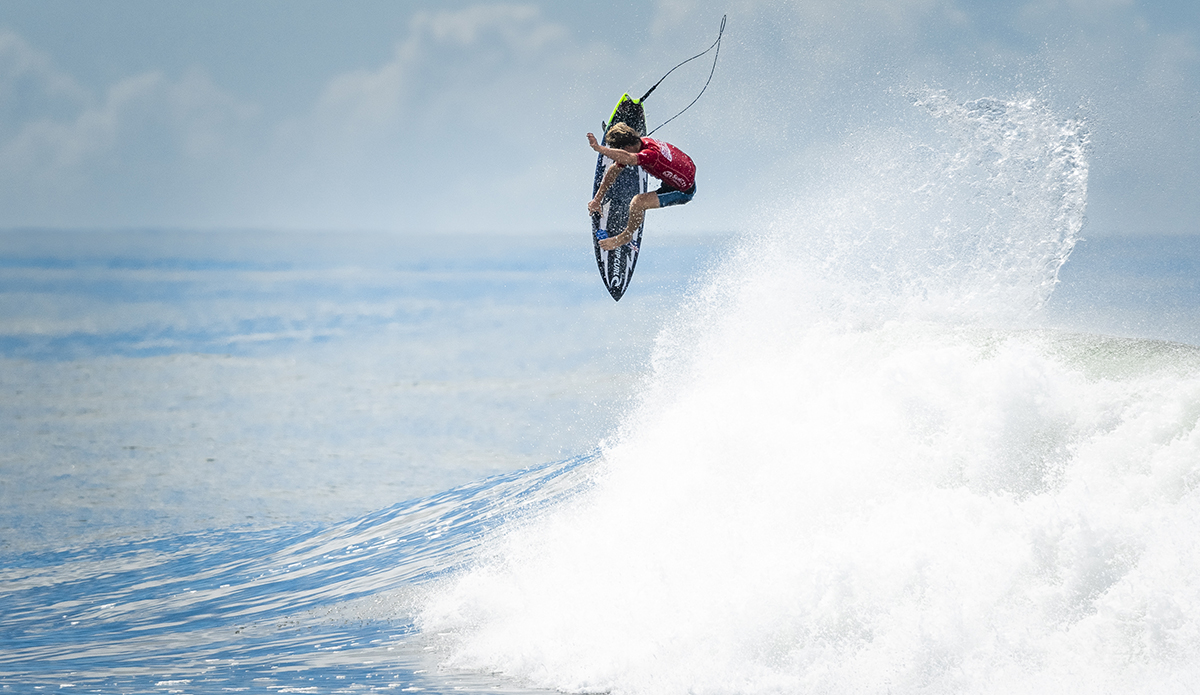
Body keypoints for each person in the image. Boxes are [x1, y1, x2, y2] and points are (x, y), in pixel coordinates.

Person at [587, 123, 696, 251]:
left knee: (638, 202)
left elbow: (629, 158)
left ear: (627, 147)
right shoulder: (643, 142)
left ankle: (625, 237)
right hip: (684, 170)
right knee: (618, 166)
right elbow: (614, 169)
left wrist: (599, 149)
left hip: (683, 190)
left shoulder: (651, 155)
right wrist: (597, 199)